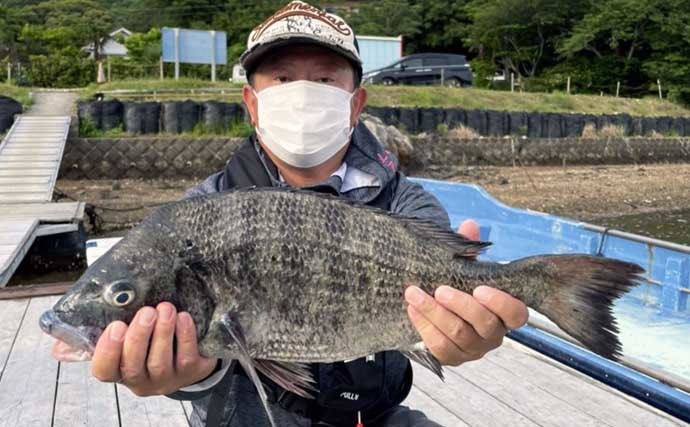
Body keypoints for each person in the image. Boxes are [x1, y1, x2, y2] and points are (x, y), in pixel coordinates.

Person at [75, 2, 529, 426]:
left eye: (326, 80)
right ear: (251, 103)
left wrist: (460, 330)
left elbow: (442, 307)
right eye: (283, 79)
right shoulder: (200, 211)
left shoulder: (408, 204)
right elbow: (198, 352)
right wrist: (189, 374)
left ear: (356, 103)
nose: (304, 94)